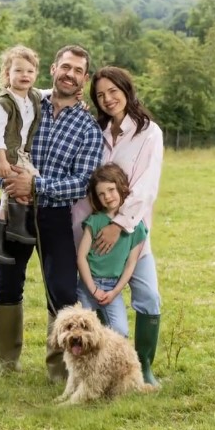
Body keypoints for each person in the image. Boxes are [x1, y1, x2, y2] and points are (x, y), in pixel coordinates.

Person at [0, 45, 104, 380]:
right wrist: (10, 182)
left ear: (84, 79)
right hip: (14, 208)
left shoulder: (87, 127)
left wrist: (36, 186)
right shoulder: (23, 103)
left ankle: (60, 369)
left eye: (78, 70)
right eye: (65, 66)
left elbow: (83, 182)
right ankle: (7, 363)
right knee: (7, 283)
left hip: (55, 216)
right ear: (53, 68)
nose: (70, 74)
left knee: (63, 291)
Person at [72, 66, 164, 386]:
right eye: (100, 95)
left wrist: (119, 225)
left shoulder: (148, 133)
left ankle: (143, 367)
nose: (108, 99)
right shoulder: (94, 131)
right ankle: (98, 368)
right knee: (94, 300)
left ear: (126, 89)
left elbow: (145, 187)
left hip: (132, 235)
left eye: (113, 91)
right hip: (95, 236)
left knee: (148, 297)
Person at [0, 45, 50, 265]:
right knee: (15, 188)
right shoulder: (4, 101)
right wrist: (1, 160)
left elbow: (48, 92)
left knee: (24, 187)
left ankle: (17, 229)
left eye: (30, 71)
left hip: (18, 152)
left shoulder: (31, 96)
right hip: (4, 154)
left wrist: (75, 96)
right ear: (7, 74)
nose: (24, 75)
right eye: (18, 71)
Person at [77, 163, 147, 338]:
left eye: (111, 189)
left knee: (120, 332)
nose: (107, 197)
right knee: (83, 331)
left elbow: (131, 263)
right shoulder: (94, 221)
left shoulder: (136, 226)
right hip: (87, 285)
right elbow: (81, 258)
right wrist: (93, 289)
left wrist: (115, 292)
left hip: (112, 288)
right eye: (101, 194)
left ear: (121, 187)